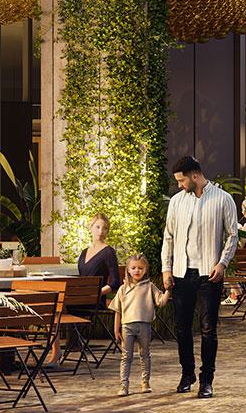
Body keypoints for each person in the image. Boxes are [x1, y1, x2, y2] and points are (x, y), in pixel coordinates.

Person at [160, 156, 237, 398]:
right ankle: (187, 374)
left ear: (194, 176)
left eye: (182, 180)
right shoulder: (176, 202)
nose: (179, 185)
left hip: (209, 274)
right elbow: (168, 236)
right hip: (182, 273)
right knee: (182, 328)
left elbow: (232, 235)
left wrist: (223, 263)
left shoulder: (223, 199)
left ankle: (207, 380)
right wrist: (166, 268)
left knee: (208, 329)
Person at [110, 253, 164, 395]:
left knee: (145, 354)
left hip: (144, 326)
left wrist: (169, 290)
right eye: (133, 268)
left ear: (145, 270)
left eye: (140, 268)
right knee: (126, 356)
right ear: (128, 270)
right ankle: (123, 385)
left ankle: (145, 382)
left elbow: (161, 301)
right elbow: (117, 310)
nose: (137, 271)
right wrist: (116, 329)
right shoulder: (123, 289)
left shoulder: (150, 287)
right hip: (127, 326)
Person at [75, 212, 120, 300]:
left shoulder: (108, 252)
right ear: (91, 227)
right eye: (98, 227)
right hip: (80, 299)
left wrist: (96, 293)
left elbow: (115, 283)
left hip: (96, 302)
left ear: (107, 231)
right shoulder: (84, 252)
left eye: (105, 228)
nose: (101, 231)